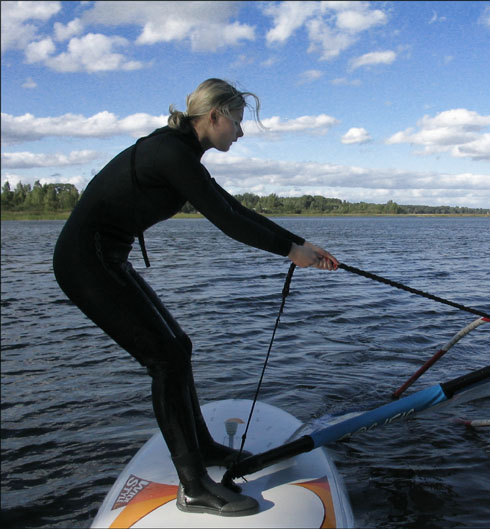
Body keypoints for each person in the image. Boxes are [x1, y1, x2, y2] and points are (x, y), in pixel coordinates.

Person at [52, 78, 338, 517]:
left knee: (177, 348)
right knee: (164, 357)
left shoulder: (181, 152)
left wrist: (301, 243)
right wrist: (291, 251)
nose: (240, 133)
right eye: (238, 123)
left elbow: (234, 207)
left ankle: (201, 448)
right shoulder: (170, 152)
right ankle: (193, 488)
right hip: (85, 261)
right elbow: (224, 218)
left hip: (106, 258)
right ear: (215, 116)